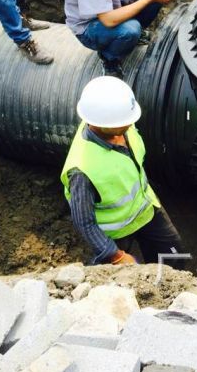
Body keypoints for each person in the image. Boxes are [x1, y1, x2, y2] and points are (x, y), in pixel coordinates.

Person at [61, 76, 183, 266]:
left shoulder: (123, 125)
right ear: (104, 123)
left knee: (174, 257)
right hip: (115, 232)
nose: (130, 123)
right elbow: (85, 222)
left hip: (144, 210)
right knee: (116, 282)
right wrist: (115, 255)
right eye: (124, 121)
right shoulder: (81, 170)